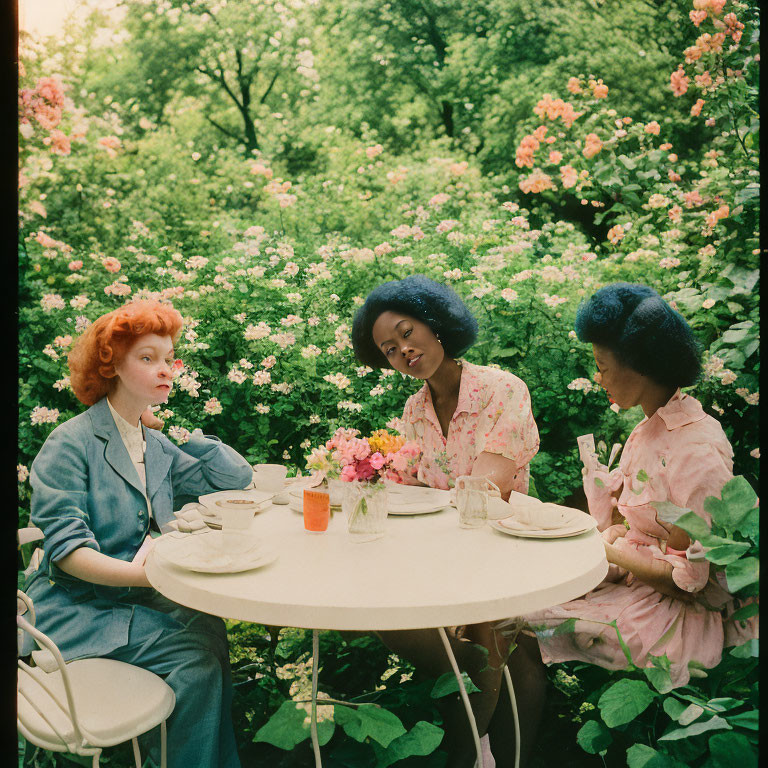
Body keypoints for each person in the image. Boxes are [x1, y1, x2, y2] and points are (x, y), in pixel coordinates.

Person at [493, 282, 759, 766]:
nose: (598, 377)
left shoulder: (695, 449)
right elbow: (640, 528)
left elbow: (691, 584)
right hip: (638, 586)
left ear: (642, 365)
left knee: (520, 628)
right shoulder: (650, 426)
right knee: (507, 606)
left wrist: (604, 549)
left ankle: (516, 752)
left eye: (602, 366)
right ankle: (499, 745)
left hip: (679, 618)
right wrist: (611, 533)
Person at [24, 299, 253, 768]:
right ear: (111, 367)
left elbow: (233, 482)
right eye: (147, 358)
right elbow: (68, 553)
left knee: (209, 629)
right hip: (75, 608)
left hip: (134, 599)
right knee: (196, 659)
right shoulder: (69, 442)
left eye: (168, 359)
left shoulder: (153, 441)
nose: (165, 369)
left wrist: (180, 428)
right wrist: (156, 576)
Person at [351, 274, 540, 767]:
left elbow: (484, 491)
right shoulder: (414, 410)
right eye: (389, 349)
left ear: (436, 323)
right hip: (444, 550)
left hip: (505, 545)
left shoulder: (502, 389)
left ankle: (468, 753)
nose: (403, 351)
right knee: (379, 609)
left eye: (407, 332)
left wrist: (420, 502)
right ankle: (481, 737)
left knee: (487, 635)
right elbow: (407, 488)